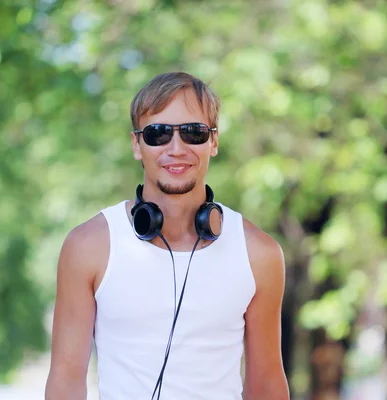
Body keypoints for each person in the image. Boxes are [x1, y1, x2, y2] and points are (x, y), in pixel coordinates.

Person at [45, 72, 289, 400]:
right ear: (136, 144)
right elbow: (65, 382)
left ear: (213, 141)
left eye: (193, 133)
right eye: (157, 134)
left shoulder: (260, 254)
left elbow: (267, 385)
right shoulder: (88, 247)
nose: (176, 149)